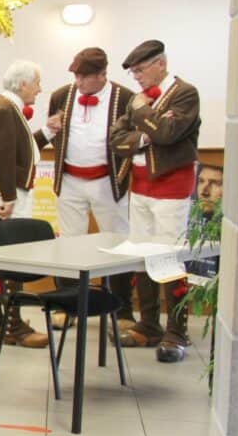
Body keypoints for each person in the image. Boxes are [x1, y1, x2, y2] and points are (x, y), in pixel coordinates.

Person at [111, 40, 202, 363]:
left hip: (172, 188)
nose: (136, 76)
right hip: (141, 187)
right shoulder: (138, 100)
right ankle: (148, 323)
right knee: (142, 254)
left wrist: (141, 117)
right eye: (133, 71)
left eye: (140, 70)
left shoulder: (184, 93)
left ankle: (176, 330)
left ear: (160, 64)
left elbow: (167, 133)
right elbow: (116, 140)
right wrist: (144, 134)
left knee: (170, 258)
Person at [34, 47, 135, 330]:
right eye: (76, 75)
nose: (78, 82)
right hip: (70, 181)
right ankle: (68, 307)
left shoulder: (125, 98)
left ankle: (123, 309)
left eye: (84, 77)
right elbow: (55, 136)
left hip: (108, 181)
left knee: (118, 243)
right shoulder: (60, 96)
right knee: (69, 243)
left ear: (103, 74)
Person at [0, 60, 49, 349]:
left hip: (8, 190)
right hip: (9, 193)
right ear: (23, 83)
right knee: (11, 259)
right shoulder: (5, 109)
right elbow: (1, 157)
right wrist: (9, 197)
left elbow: (17, 152)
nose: (40, 89)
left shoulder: (5, 106)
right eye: (37, 82)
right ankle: (13, 326)